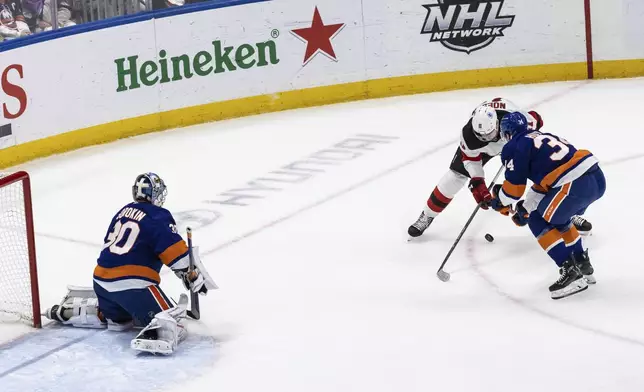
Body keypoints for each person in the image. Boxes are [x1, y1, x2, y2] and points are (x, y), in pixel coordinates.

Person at [44, 172, 217, 354]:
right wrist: (189, 273)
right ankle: (154, 331)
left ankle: (98, 313)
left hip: (101, 284)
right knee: (175, 322)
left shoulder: (123, 212)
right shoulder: (158, 216)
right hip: (133, 287)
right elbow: (175, 253)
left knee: (123, 319)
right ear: (156, 194)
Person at [407, 98, 593, 238]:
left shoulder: (512, 117)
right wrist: (477, 181)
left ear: (497, 123)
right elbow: (471, 160)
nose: (488, 137)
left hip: (513, 140)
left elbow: (537, 121)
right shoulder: (469, 135)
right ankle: (427, 215)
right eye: (483, 136)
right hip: (488, 149)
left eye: (490, 133)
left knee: (544, 171)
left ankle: (567, 212)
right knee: (455, 177)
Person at [489, 112, 605, 299]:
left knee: (538, 220)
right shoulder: (543, 136)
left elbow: (513, 191)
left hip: (573, 184)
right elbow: (546, 182)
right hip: (595, 178)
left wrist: (499, 202)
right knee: (559, 218)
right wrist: (525, 207)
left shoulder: (513, 146)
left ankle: (570, 271)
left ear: (506, 133)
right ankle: (581, 263)